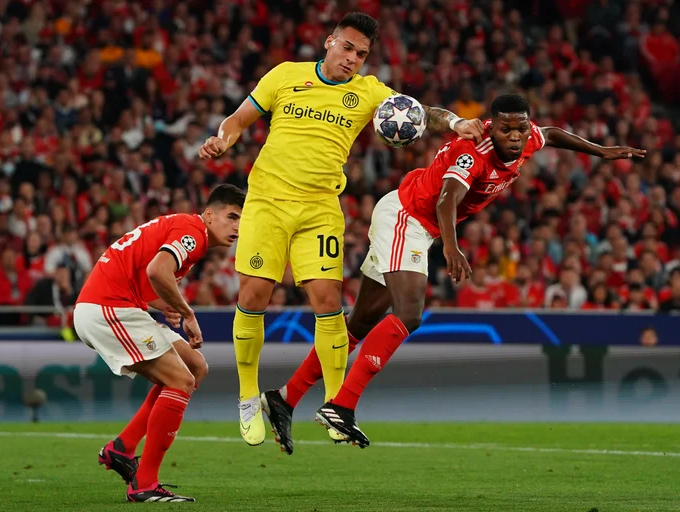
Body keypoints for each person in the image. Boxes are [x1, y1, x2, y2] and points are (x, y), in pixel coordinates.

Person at [261, 93, 646, 451]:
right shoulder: (473, 152)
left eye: (520, 128)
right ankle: (342, 406)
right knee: (408, 314)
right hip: (407, 218)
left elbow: (553, 134)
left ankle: (284, 397)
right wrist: (451, 246)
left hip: (416, 223)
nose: (515, 136)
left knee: (359, 324)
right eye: (505, 129)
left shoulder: (528, 139)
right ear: (489, 127)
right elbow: (447, 199)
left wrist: (600, 152)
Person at [198, 12, 485, 450]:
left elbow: (418, 110)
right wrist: (222, 140)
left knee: (329, 303)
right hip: (267, 202)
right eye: (348, 48)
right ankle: (246, 398)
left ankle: (335, 405)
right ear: (330, 41)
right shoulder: (285, 76)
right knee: (254, 295)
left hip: (320, 208)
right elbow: (237, 120)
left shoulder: (368, 92)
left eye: (362, 54)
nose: (353, 59)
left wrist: (456, 124)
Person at [73, 184, 245, 503]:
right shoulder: (193, 231)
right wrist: (185, 311)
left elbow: (145, 276)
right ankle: (144, 483)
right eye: (232, 216)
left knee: (195, 366)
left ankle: (122, 448)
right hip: (107, 307)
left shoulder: (183, 227)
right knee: (180, 380)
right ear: (209, 214)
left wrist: (161, 303)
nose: (237, 227)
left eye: (241, 221)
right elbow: (157, 270)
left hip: (119, 304)